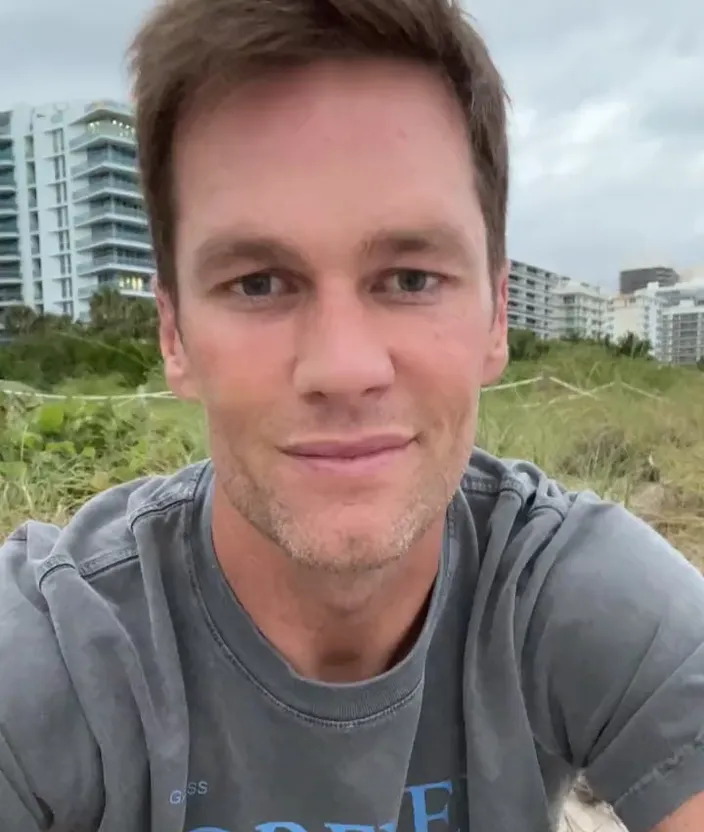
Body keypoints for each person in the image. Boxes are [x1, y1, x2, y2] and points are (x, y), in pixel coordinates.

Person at [1, 0, 703, 830]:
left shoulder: (562, 590)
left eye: (409, 278)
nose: (343, 368)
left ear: (496, 318)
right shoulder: (59, 659)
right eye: (259, 282)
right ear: (173, 333)